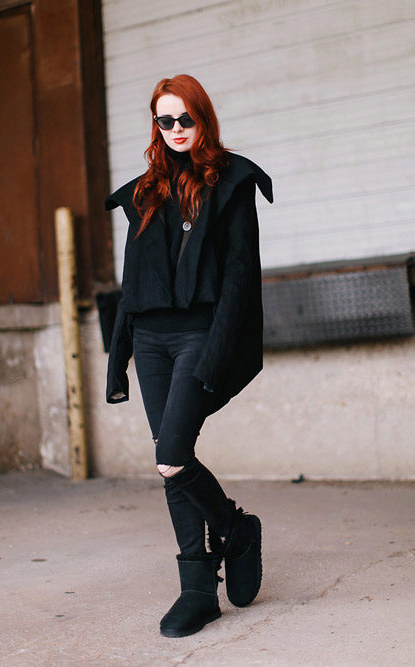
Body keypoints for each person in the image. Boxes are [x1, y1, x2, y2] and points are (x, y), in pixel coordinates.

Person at [105, 74, 273, 638]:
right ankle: (198, 590)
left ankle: (234, 528)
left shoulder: (231, 182)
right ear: (155, 124)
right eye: (165, 120)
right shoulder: (143, 192)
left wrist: (219, 351)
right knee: (168, 462)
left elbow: (239, 276)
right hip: (151, 340)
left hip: (199, 335)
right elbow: (132, 281)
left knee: (173, 455)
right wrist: (121, 352)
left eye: (185, 119)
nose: (176, 129)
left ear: (203, 119)